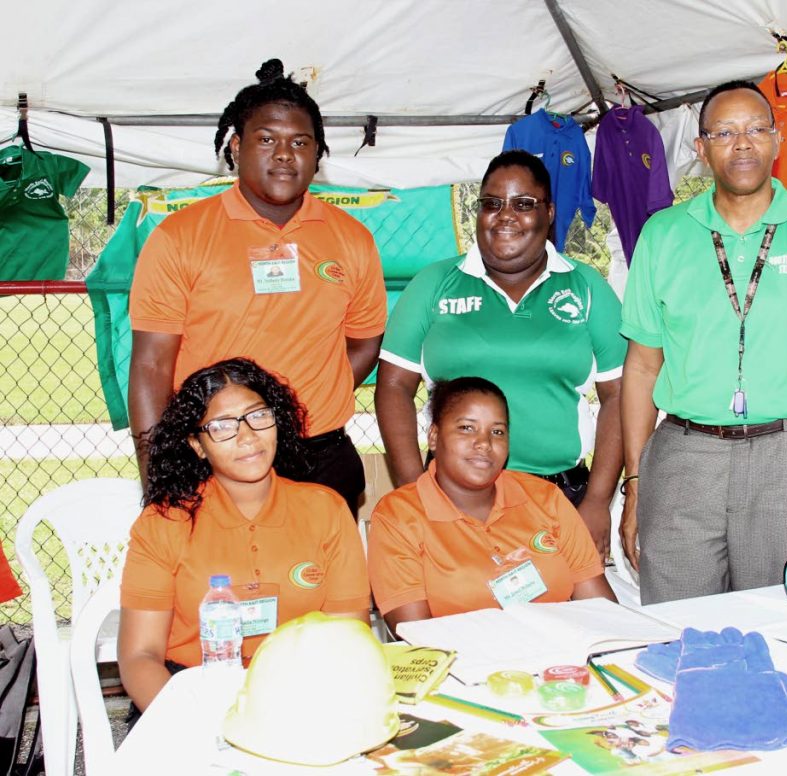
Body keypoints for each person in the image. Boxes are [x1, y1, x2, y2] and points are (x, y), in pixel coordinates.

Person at [619, 80, 787, 604]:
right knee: (679, 628)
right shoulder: (662, 235)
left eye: (756, 129)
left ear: (778, 139)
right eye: (724, 132)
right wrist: (635, 484)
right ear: (701, 149)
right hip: (685, 458)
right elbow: (641, 369)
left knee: (783, 628)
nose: (742, 143)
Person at [128, 59, 387, 515]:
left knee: (326, 586)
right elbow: (151, 366)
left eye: (300, 142)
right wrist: (159, 481)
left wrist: (303, 404)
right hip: (216, 458)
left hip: (322, 458)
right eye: (267, 139)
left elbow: (364, 343)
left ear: (318, 153)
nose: (284, 154)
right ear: (235, 146)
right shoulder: (179, 236)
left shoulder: (352, 239)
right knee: (225, 587)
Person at [375, 150, 626, 554]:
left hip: (559, 497)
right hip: (453, 498)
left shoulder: (586, 286)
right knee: (460, 614)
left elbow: (621, 395)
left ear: (549, 212)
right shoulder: (434, 283)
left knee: (560, 614)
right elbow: (392, 386)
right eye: (492, 203)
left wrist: (598, 501)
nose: (505, 215)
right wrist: (412, 491)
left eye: (523, 204)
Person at [118, 358, 370, 716]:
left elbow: (349, 638)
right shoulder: (164, 521)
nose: (248, 436)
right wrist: (191, 725)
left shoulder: (325, 509)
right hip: (188, 693)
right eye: (222, 426)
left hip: (303, 690)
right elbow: (139, 657)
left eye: (258, 416)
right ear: (197, 444)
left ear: (277, 421)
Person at [367, 377, 616, 633]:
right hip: (466, 667)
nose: (484, 443)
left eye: (497, 431)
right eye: (466, 428)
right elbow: (418, 636)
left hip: (561, 661)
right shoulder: (397, 517)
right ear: (434, 436)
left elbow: (602, 611)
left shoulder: (546, 499)